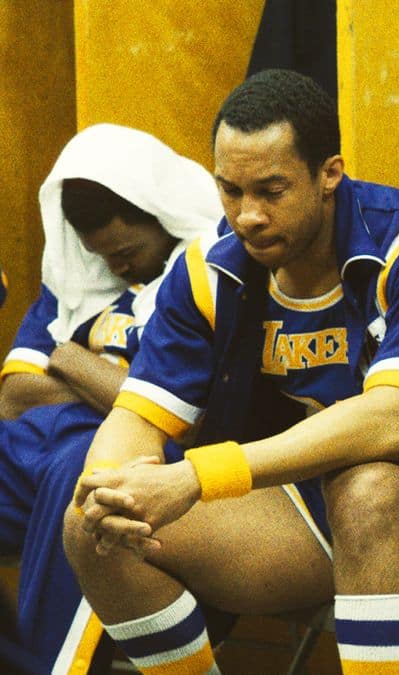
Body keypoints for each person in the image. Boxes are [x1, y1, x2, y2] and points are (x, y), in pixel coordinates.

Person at [65, 68, 399, 675]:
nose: (247, 216)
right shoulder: (213, 266)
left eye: (271, 191)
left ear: (329, 174)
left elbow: (394, 423)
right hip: (311, 505)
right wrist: (105, 486)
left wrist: (200, 475)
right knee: (90, 527)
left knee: (367, 487)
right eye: (230, 191)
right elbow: (138, 416)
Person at [0, 124, 220, 672]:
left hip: (123, 459)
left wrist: (72, 360)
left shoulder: (200, 277)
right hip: (30, 452)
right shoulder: (75, 281)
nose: (116, 267)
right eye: (103, 255)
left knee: (88, 475)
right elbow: (15, 398)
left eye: (126, 251)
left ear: (161, 216)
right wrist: (105, 382)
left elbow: (173, 413)